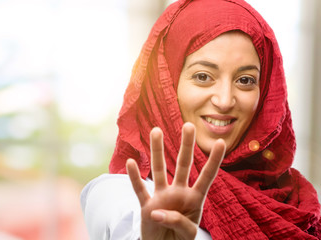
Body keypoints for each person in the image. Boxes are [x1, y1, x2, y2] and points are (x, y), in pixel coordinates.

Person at [81, 0, 321, 239]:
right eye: (203, 76)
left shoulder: (298, 202)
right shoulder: (120, 195)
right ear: (165, 86)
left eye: (245, 80)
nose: (225, 100)